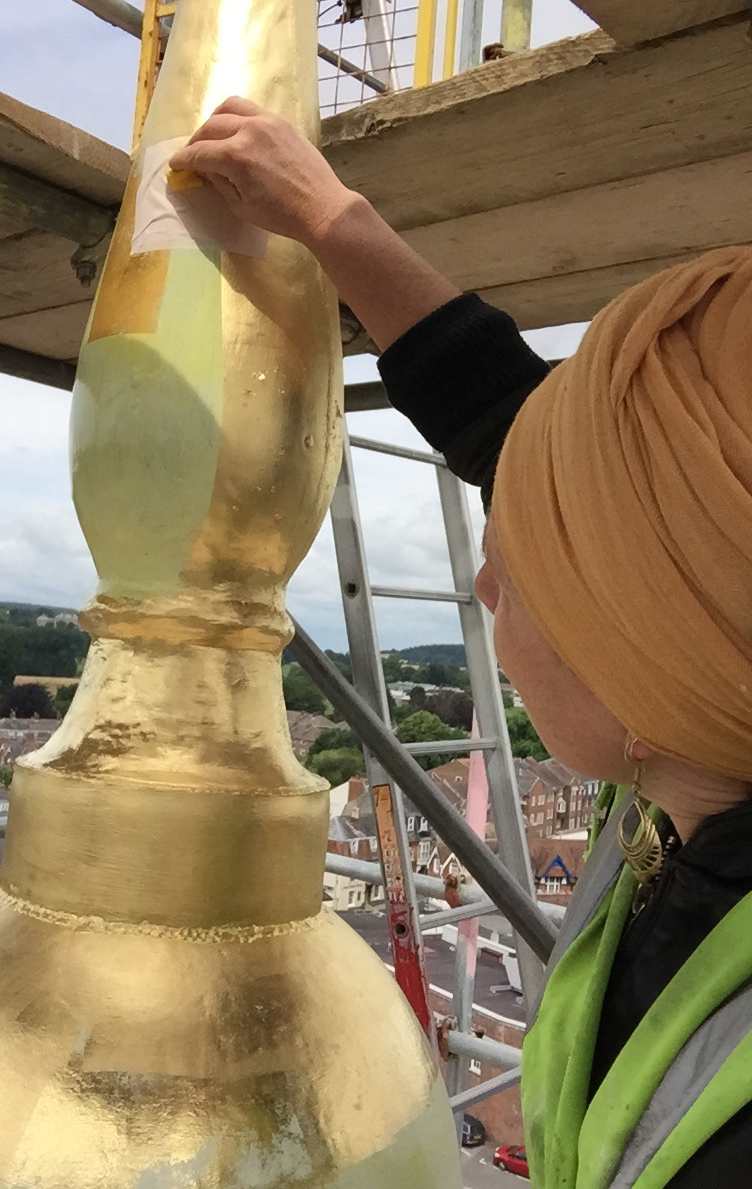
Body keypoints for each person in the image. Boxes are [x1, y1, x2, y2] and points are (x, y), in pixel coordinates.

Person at [171, 99, 752, 1189]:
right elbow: (527, 432)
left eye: (527, 561)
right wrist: (333, 221)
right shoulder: (708, 742)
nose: (483, 582)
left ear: (651, 645)